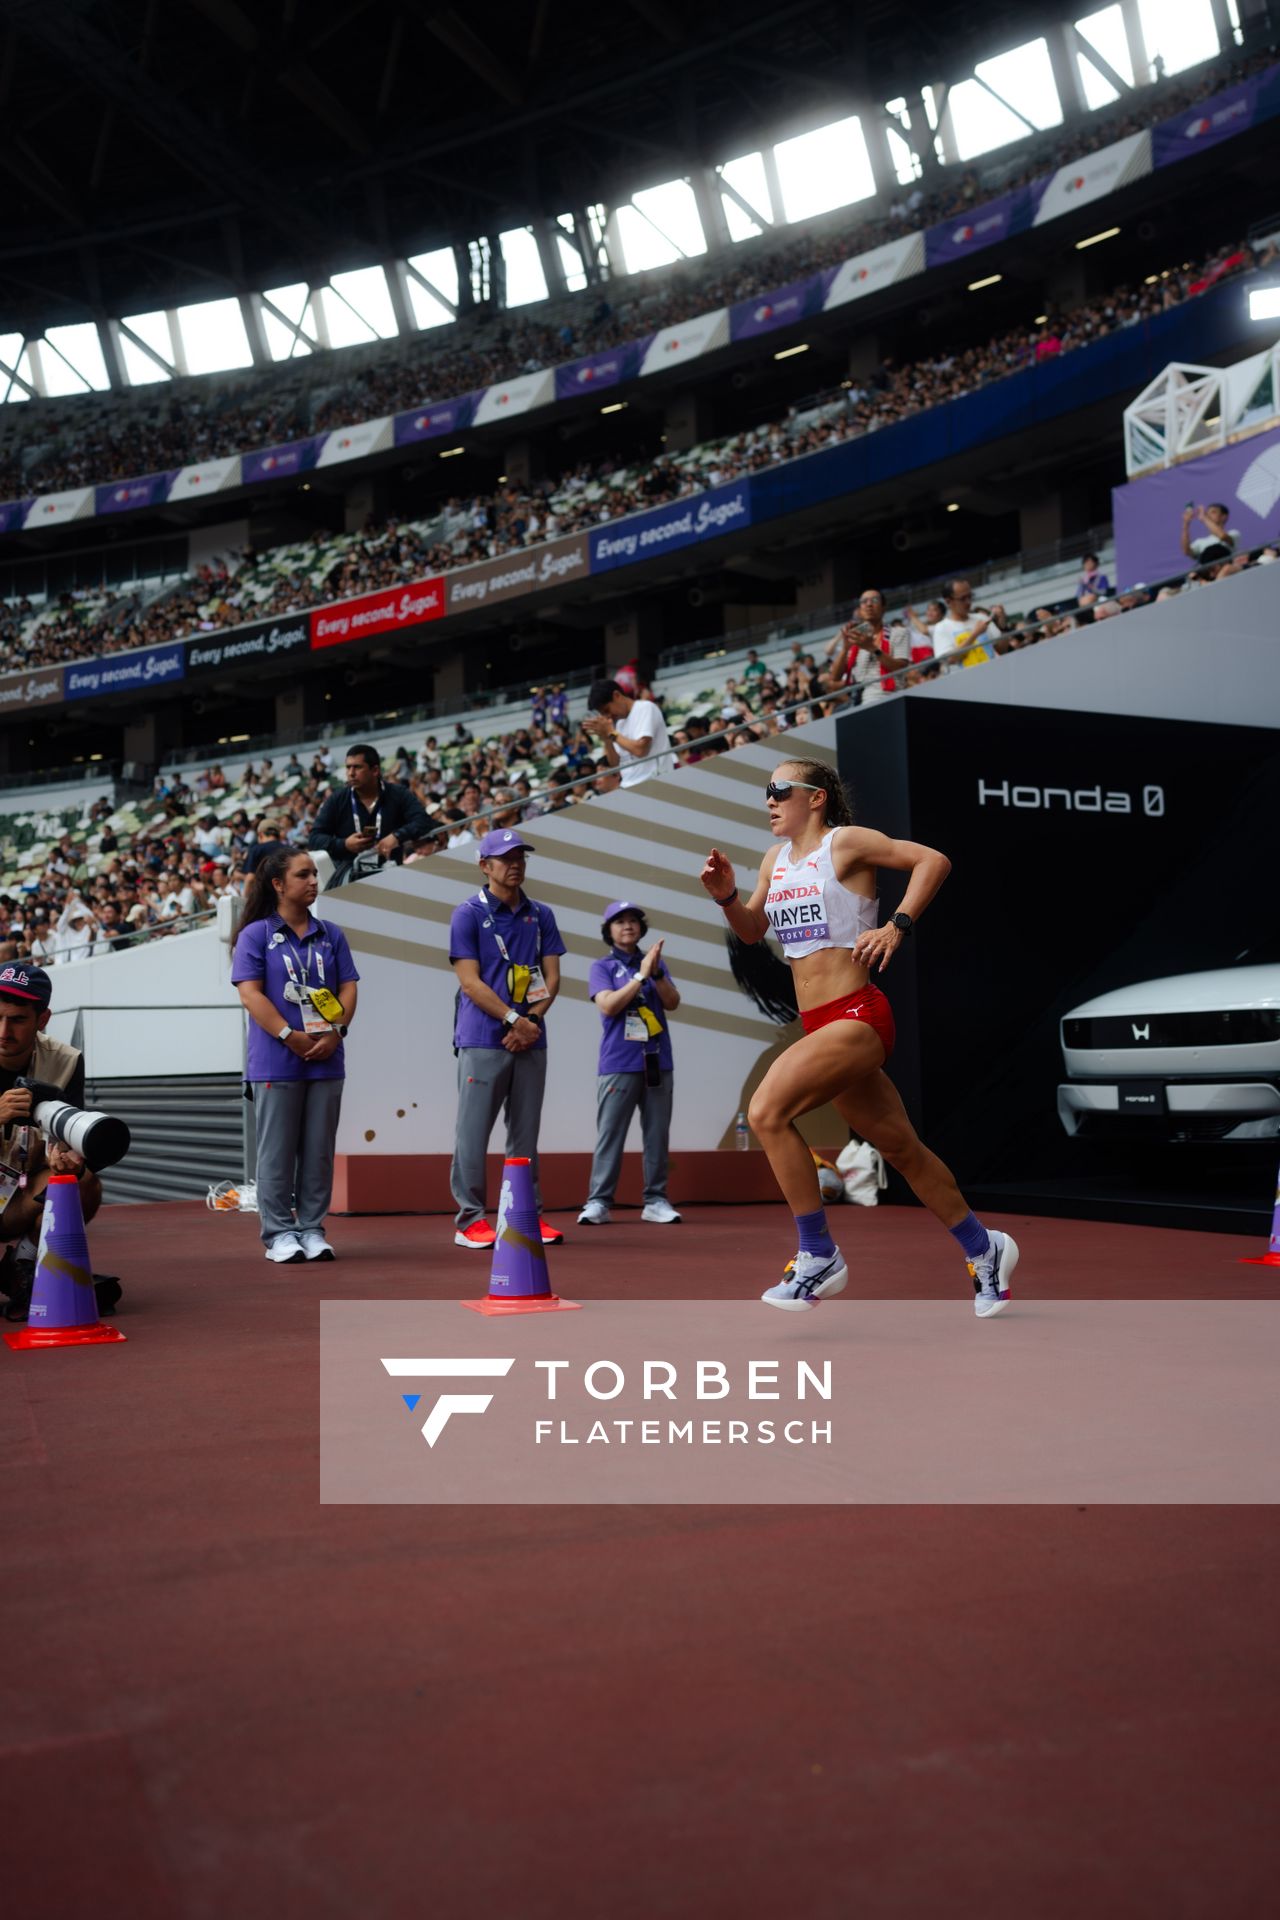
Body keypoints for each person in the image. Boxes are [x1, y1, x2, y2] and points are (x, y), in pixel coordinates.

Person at [699, 757, 1018, 1316]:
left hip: (858, 1015)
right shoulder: (776, 859)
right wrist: (727, 897)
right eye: (765, 792)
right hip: (822, 1026)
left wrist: (898, 924)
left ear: (815, 797)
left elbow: (932, 861)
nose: (769, 800)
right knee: (901, 1149)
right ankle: (984, 1248)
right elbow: (753, 932)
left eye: (779, 790)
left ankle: (818, 1254)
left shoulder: (844, 844)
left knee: (767, 1111)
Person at [231, 848, 360, 1264]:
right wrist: (290, 1036)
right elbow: (250, 993)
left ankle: (312, 1228)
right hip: (276, 1060)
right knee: (277, 1152)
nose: (312, 881)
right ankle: (279, 1234)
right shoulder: (255, 934)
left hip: (326, 1058)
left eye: (314, 874)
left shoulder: (331, 934)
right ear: (278, 884)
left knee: (318, 1151)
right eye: (302, 874)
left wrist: (336, 1033)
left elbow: (348, 988)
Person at [449, 828, 566, 1251]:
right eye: (505, 857)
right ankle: (470, 1220)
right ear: (485, 866)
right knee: (473, 1132)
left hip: (532, 1036)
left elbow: (552, 977)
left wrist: (530, 1021)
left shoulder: (541, 914)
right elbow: (470, 983)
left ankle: (523, 1217)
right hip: (482, 1037)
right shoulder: (467, 914)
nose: (515, 864)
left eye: (521, 857)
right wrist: (515, 1019)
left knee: (525, 1134)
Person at [0, 963, 108, 1320]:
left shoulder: (66, 1061)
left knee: (84, 1182)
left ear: (42, 1019)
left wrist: (66, 1158)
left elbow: (68, 1136)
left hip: (23, 1189)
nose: (3, 1031)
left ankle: (24, 1262)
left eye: (16, 1019)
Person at [577, 902, 682, 1227]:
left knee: (656, 1134)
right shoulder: (602, 967)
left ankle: (656, 1199)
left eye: (633, 921)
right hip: (619, 1062)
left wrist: (658, 972)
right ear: (608, 930)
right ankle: (598, 1202)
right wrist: (640, 975)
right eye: (620, 921)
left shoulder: (655, 964)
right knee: (611, 1133)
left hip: (656, 1060)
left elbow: (673, 1002)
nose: (628, 926)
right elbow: (608, 1005)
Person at [308, 743, 428, 885]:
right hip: (350, 880)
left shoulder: (398, 793)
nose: (351, 773)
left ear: (375, 770)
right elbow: (315, 838)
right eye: (348, 767)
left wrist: (397, 836)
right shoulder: (337, 799)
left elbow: (423, 821)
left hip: (392, 875)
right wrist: (344, 844)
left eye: (357, 767)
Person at [584, 679, 674, 787]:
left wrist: (611, 733)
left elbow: (641, 750)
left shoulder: (645, 708)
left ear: (617, 695)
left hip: (656, 782)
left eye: (607, 710)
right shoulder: (619, 724)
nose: (607, 716)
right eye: (603, 713)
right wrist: (607, 739)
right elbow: (614, 764)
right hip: (629, 786)